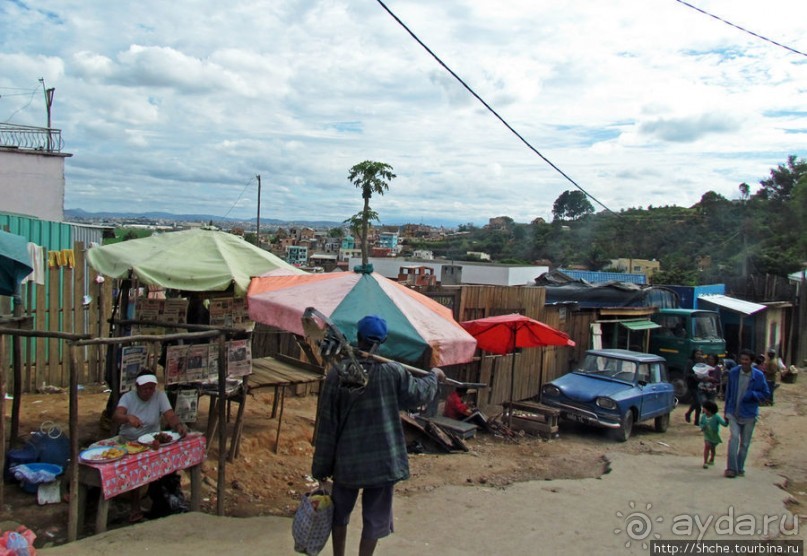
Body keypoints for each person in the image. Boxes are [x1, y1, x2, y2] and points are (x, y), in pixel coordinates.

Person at [312, 315, 446, 556]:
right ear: (383, 341)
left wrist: (321, 469)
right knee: (375, 518)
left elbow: (327, 426)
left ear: (359, 338)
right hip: (382, 460)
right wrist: (434, 376)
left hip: (348, 461)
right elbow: (419, 394)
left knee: (339, 513)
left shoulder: (337, 374)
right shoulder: (393, 373)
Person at [112, 371, 188, 522]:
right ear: (137, 387)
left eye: (151, 388)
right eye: (145, 389)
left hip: (152, 440)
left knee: (166, 459)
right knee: (135, 465)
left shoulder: (159, 396)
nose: (148, 392)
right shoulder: (128, 398)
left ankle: (165, 500)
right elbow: (116, 416)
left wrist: (178, 425)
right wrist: (127, 418)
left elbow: (170, 415)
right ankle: (135, 507)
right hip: (130, 441)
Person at [723, 349, 770, 478]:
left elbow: (766, 394)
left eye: (746, 360)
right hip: (733, 412)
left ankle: (740, 467)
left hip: (749, 414)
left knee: (744, 444)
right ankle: (731, 468)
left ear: (751, 361)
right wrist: (726, 411)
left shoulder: (758, 376)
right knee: (734, 438)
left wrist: (753, 395)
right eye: (742, 359)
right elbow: (728, 394)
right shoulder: (733, 373)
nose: (743, 362)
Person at [699, 400, 727, 469]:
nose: (703, 409)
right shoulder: (703, 416)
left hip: (714, 436)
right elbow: (701, 423)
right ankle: (705, 462)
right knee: (707, 446)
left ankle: (712, 458)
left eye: (704, 408)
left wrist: (727, 420)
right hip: (707, 435)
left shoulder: (716, 417)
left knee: (712, 448)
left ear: (709, 409)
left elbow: (724, 424)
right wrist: (702, 427)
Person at [684, 349, 705, 425]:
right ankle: (696, 420)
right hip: (692, 384)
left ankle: (690, 415)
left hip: (700, 385)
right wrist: (694, 376)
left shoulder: (702, 362)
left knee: (697, 402)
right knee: (698, 402)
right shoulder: (690, 362)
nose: (698, 355)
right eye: (697, 354)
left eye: (700, 354)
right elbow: (686, 374)